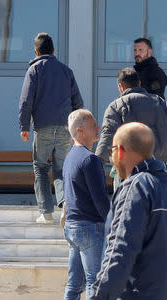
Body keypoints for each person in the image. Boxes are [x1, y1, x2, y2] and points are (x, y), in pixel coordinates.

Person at [90, 122, 167, 300]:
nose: (112, 156)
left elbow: (120, 250)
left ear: (121, 151)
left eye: (112, 150)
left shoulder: (137, 186)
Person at [19, 32, 84, 224]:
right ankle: (64, 201)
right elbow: (78, 102)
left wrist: (24, 126)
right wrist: (76, 128)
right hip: (65, 128)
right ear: (54, 50)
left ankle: (46, 213)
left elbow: (25, 101)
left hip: (43, 127)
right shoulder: (66, 71)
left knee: (40, 168)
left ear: (36, 51)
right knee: (61, 169)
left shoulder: (34, 70)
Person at [62, 109, 110, 300]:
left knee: (74, 285)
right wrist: (113, 224)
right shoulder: (90, 159)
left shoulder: (70, 157)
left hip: (72, 227)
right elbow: (100, 200)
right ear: (80, 130)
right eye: (93, 126)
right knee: (94, 283)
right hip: (89, 227)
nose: (98, 128)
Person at [95, 67, 167, 192]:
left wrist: (96, 163)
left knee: (124, 207)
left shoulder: (116, 106)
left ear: (120, 86)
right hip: (158, 168)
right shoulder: (159, 102)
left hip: (128, 170)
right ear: (139, 83)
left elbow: (108, 136)